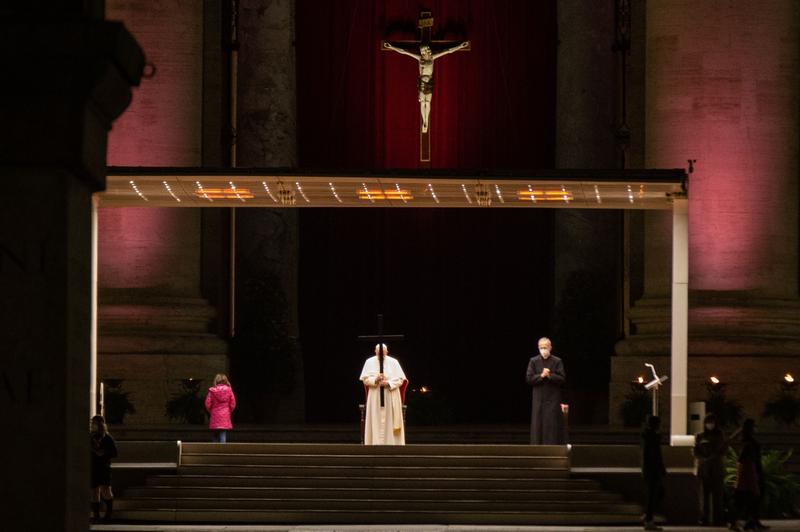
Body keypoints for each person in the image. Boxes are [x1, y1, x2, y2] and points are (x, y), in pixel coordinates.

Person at [382, 40, 470, 133]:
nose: (422, 53)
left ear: (427, 50)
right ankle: (424, 121)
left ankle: (426, 121)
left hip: (429, 82)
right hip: (422, 82)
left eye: (423, 51)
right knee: (422, 102)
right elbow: (404, 52)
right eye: (421, 52)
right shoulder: (420, 59)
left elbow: (448, 51)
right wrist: (391, 47)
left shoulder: (432, 58)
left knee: (427, 102)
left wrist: (460, 46)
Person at [694, 413, 737, 526]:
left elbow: (724, 450)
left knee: (718, 496)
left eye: (712, 422)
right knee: (704, 496)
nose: (710, 425)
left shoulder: (720, 436)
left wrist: (715, 456)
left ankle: (719, 519)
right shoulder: (700, 436)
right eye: (708, 422)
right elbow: (695, 451)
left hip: (717, 469)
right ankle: (704, 518)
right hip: (704, 470)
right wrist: (704, 459)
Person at [360, 343, 407, 445]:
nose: (381, 355)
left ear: (387, 352)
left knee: (390, 420)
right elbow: (365, 380)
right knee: (376, 418)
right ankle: (375, 443)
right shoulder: (369, 362)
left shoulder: (394, 362)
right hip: (375, 395)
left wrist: (388, 383)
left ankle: (393, 444)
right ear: (375, 351)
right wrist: (375, 380)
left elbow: (400, 380)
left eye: (383, 352)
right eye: (378, 352)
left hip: (390, 395)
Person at [525, 337, 566, 444]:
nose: (543, 350)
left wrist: (550, 375)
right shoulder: (533, 361)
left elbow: (562, 378)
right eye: (541, 347)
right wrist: (541, 375)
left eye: (545, 347)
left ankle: (552, 446)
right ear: (538, 348)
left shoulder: (557, 361)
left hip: (552, 398)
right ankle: (537, 446)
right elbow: (529, 378)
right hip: (538, 398)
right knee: (538, 422)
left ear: (550, 347)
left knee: (551, 423)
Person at [731, 419, 768, 532]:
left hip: (749, 471)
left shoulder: (746, 441)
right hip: (750, 472)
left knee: (747, 498)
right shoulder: (749, 443)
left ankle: (750, 521)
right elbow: (746, 460)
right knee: (750, 498)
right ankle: (748, 522)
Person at [90, 415, 117, 523]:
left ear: (100, 424)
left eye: (94, 423)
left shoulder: (107, 437)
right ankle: (96, 516)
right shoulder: (90, 437)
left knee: (106, 491)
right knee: (94, 492)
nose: (92, 425)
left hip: (103, 468)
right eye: (92, 423)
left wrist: (103, 453)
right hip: (93, 467)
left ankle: (108, 514)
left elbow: (114, 453)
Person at [641, 414, 666, 531]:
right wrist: (661, 469)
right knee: (654, 494)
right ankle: (648, 519)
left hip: (649, 469)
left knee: (654, 494)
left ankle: (648, 515)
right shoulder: (653, 438)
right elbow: (656, 455)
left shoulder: (647, 437)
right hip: (653, 470)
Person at [204, 374, 236, 443]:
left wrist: (210, 411)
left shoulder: (212, 391)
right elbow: (233, 404)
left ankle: (214, 450)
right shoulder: (229, 390)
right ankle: (222, 450)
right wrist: (229, 411)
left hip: (215, 413)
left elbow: (207, 403)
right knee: (223, 433)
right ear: (225, 381)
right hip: (225, 414)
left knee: (215, 433)